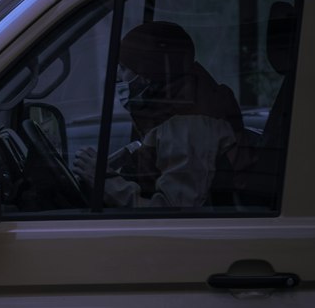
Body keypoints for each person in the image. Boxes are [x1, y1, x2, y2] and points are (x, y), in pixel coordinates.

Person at [72, 20, 243, 209]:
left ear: (148, 74)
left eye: (124, 69)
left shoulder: (189, 127)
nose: (118, 78)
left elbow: (172, 213)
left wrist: (103, 182)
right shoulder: (174, 111)